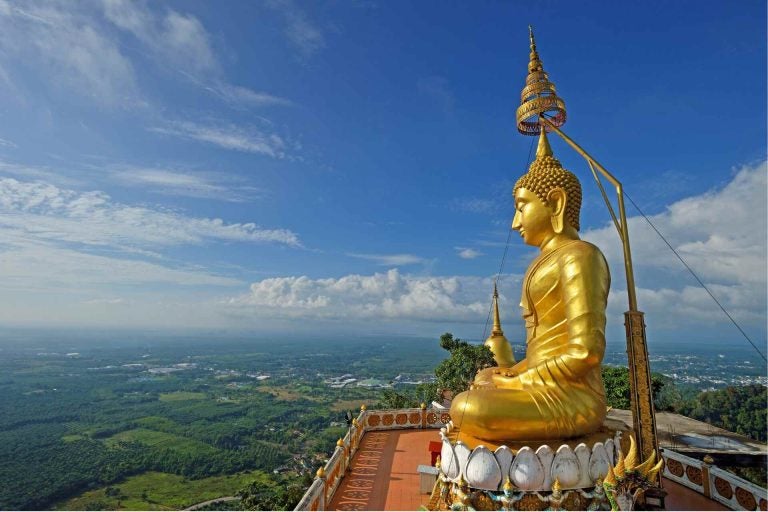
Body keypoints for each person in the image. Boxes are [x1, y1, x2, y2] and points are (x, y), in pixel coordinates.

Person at [449, 128, 610, 442]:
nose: (515, 221)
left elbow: (585, 353)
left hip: (573, 396)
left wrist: (514, 382)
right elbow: (542, 353)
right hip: (541, 382)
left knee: (469, 408)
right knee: (483, 378)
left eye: (521, 207)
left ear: (556, 202)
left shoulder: (580, 256)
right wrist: (513, 371)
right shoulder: (546, 261)